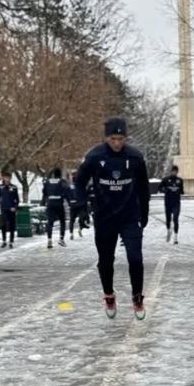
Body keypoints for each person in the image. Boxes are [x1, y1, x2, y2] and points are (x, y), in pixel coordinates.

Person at [75, 116, 151, 318]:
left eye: (121, 139)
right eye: (113, 139)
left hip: (129, 216)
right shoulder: (94, 156)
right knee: (106, 260)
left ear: (126, 138)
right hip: (104, 216)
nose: (117, 143)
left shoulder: (135, 157)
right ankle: (109, 294)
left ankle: (137, 297)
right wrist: (82, 207)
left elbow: (143, 187)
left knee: (135, 258)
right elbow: (79, 182)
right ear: (106, 138)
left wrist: (144, 212)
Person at [41, 166, 69, 249]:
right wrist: (68, 200)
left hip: (50, 203)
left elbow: (44, 192)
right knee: (62, 221)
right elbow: (66, 190)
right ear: (60, 174)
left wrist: (44, 201)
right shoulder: (62, 181)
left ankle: (49, 240)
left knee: (50, 222)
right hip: (59, 203)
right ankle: (61, 239)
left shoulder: (48, 181)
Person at [0, 169, 20, 248]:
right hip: (3, 208)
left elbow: (17, 199)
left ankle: (11, 241)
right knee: (3, 224)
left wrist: (15, 207)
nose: (7, 179)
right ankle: (4, 241)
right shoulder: (0, 187)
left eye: (8, 178)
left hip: (11, 209)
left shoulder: (14, 187)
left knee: (12, 225)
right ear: (3, 178)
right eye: (5, 177)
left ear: (10, 178)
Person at [161, 165, 183, 242]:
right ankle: (168, 231)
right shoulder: (165, 179)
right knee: (168, 219)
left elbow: (182, 191)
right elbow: (160, 188)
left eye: (176, 171)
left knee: (175, 219)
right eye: (173, 171)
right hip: (168, 202)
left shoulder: (180, 180)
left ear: (177, 172)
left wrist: (178, 190)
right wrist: (167, 189)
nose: (174, 173)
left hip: (176, 202)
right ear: (171, 171)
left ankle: (175, 237)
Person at [68, 170, 90, 239]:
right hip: (78, 204)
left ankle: (76, 231)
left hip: (77, 204)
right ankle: (72, 233)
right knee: (76, 219)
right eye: (73, 174)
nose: (74, 176)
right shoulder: (76, 184)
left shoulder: (72, 185)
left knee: (76, 219)